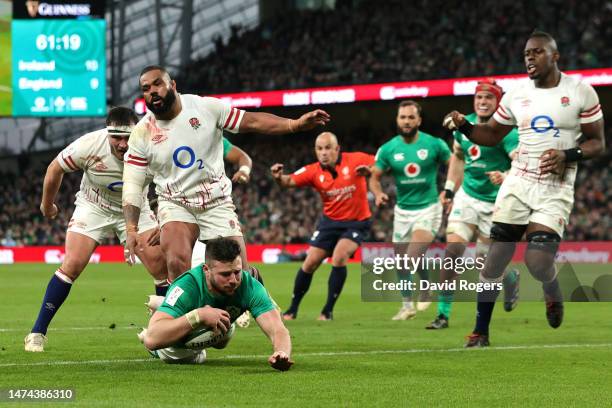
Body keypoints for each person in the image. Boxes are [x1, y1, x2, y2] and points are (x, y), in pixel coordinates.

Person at [443, 31, 604, 347]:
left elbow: (598, 142)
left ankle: (551, 286)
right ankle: (480, 332)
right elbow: (489, 135)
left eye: (537, 52)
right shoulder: (516, 95)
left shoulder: (582, 92)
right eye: (526, 54)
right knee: (494, 260)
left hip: (556, 186)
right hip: (519, 181)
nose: (529, 58)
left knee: (538, 261)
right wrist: (463, 124)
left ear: (555, 56)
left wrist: (568, 154)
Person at [122, 65, 330, 285]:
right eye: (146, 88)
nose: (152, 91)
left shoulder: (205, 108)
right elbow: (132, 185)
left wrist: (294, 124)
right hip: (175, 203)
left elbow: (252, 121)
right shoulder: (141, 134)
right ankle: (189, 317)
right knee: (176, 262)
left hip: (215, 201)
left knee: (238, 274)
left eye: (158, 84)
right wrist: (131, 229)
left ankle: (251, 279)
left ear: (173, 85)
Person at [25, 107, 166, 352]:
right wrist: (47, 205)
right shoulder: (89, 144)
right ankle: (37, 332)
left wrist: (163, 215)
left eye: (127, 137)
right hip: (94, 207)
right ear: (106, 133)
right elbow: (54, 169)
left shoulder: (152, 146)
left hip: (136, 207)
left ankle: (163, 336)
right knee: (72, 264)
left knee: (160, 266)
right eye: (116, 137)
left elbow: (171, 181)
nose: (122, 144)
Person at [426, 79, 520, 330]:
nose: (483, 102)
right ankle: (442, 315)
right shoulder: (462, 125)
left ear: (497, 102)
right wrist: (448, 188)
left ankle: (510, 277)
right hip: (467, 197)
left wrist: (506, 175)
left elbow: (521, 163)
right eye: (479, 98)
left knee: (484, 261)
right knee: (452, 252)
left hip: (496, 204)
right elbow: (458, 157)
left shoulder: (506, 130)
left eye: (488, 98)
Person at [141, 237, 293, 371]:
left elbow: (278, 329)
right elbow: (152, 339)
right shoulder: (186, 286)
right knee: (185, 358)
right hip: (180, 341)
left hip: (219, 322)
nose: (233, 280)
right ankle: (166, 310)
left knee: (223, 335)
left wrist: (282, 352)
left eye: (237, 272)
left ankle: (165, 305)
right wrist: (199, 315)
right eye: (225, 274)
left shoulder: (249, 285)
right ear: (206, 270)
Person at [270, 132, 374, 320]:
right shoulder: (313, 171)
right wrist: (278, 177)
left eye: (328, 148)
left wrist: (372, 172)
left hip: (356, 223)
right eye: (319, 149)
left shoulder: (357, 159)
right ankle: (292, 310)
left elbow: (381, 164)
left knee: (339, 256)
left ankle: (327, 311)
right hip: (329, 223)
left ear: (337, 149)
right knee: (310, 263)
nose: (324, 153)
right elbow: (288, 181)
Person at [369, 100, 451, 320]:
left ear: (419, 120)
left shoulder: (435, 144)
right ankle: (407, 306)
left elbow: (454, 165)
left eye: (411, 117)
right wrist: (377, 194)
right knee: (401, 262)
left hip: (429, 207)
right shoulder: (388, 149)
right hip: (403, 211)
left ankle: (426, 287)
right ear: (397, 120)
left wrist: (448, 190)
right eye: (403, 117)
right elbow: (374, 177)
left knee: (411, 256)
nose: (406, 121)